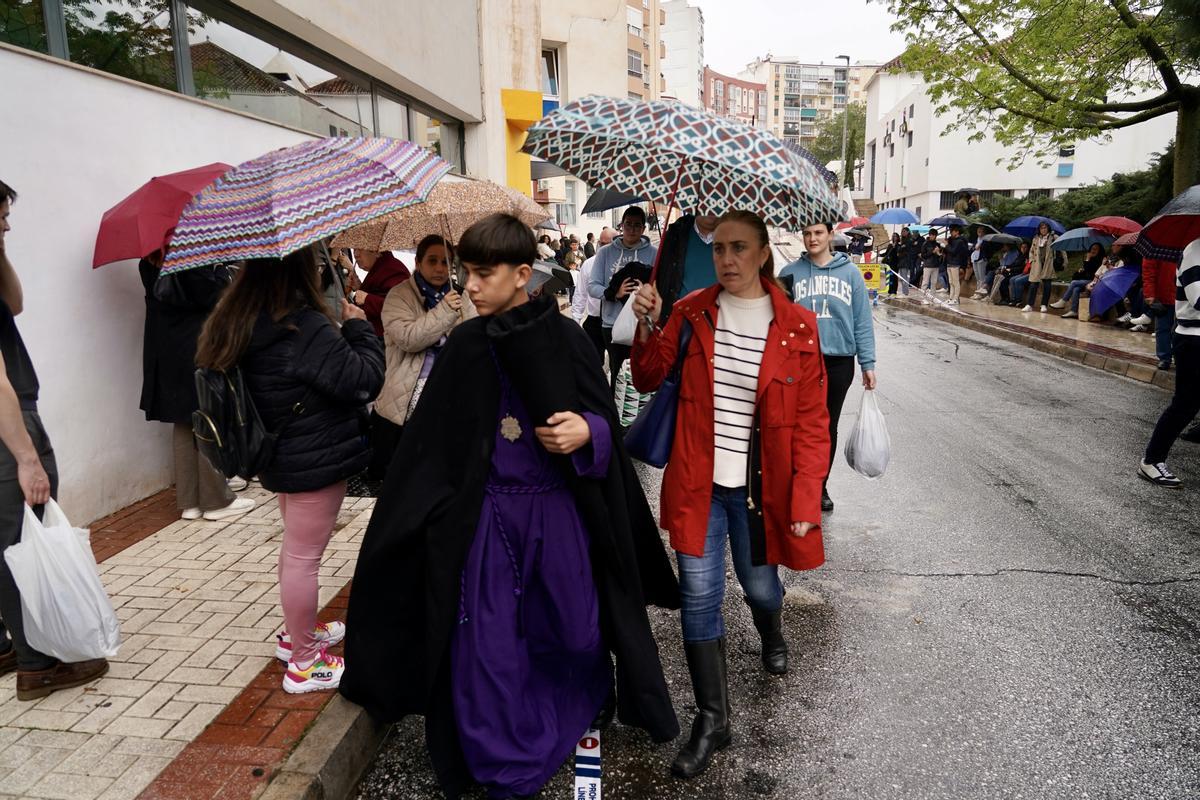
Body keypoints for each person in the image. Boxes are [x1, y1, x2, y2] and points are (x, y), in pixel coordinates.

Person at [341, 213, 680, 798]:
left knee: (573, 631)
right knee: (489, 645)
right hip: (489, 523)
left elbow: (604, 426)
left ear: (523, 274)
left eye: (482, 273)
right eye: (465, 272)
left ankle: (576, 702)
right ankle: (495, 746)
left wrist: (588, 434)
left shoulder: (569, 339)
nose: (468, 284)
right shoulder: (468, 344)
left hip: (557, 517)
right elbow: (436, 445)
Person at [631, 210, 830, 778]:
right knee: (698, 596)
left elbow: (815, 425)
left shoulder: (797, 328)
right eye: (719, 248)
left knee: (761, 584)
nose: (727, 259)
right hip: (697, 483)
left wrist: (803, 503)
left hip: (758, 494)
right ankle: (712, 720)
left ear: (765, 252)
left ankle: (771, 625)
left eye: (739, 248)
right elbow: (647, 377)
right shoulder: (692, 311)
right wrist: (646, 322)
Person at [196, 247, 384, 692]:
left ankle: (298, 636)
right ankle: (304, 663)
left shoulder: (241, 319)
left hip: (281, 455)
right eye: (315, 265)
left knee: (295, 551)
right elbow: (363, 379)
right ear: (299, 270)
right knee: (304, 557)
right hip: (312, 456)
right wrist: (358, 326)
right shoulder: (304, 327)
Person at [0, 180, 110, 700]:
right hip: (9, 424)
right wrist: (26, 457)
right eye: (0, 217)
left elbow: (13, 304)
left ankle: (10, 646)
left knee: (8, 542)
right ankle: (37, 664)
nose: (7, 225)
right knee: (24, 542)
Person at [139, 252, 255, 521]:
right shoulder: (191, 259)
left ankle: (190, 502)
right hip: (196, 345)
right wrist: (220, 269)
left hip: (165, 349)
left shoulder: (147, 261)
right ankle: (215, 501)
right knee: (208, 417)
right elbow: (215, 295)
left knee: (183, 421)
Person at [779, 221, 877, 513]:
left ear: (830, 235)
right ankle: (795, 481)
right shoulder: (789, 274)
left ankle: (818, 485)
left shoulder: (850, 274)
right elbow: (780, 321)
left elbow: (862, 320)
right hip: (800, 361)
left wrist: (868, 363)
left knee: (826, 426)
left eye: (818, 233)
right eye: (807, 234)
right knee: (796, 426)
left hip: (838, 362)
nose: (812, 238)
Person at [370, 235, 475, 480]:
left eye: (444, 261)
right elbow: (409, 338)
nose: (440, 268)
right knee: (409, 475)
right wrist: (446, 310)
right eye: (432, 261)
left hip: (452, 390)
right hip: (406, 397)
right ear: (418, 263)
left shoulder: (460, 295)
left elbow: (471, 337)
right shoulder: (399, 296)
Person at [1138, 236, 1200, 488]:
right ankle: (1152, 460)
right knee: (1185, 404)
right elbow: (1198, 298)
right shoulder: (1195, 250)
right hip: (1194, 340)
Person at [588, 206, 657, 392]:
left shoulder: (654, 253)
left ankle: (638, 418)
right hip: (612, 326)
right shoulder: (605, 253)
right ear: (621, 226)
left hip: (642, 326)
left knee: (642, 375)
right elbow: (592, 286)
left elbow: (661, 290)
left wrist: (647, 291)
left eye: (637, 225)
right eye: (628, 225)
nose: (632, 229)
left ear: (643, 228)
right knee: (617, 374)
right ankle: (616, 418)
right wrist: (614, 293)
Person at [654, 213, 718, 321]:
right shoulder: (674, 236)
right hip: (679, 323)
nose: (710, 209)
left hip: (720, 325)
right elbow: (662, 280)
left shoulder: (736, 238)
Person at [572, 227, 614, 365]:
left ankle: (616, 383)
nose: (603, 247)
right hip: (594, 321)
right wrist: (575, 320)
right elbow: (580, 294)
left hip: (615, 320)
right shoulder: (589, 264)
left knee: (617, 365)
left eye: (608, 243)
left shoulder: (623, 264)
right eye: (601, 243)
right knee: (593, 363)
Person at [350, 248, 410, 336]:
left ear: (377, 252)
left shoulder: (394, 270)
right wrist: (359, 287)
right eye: (354, 249)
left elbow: (400, 306)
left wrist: (367, 299)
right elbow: (380, 293)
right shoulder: (380, 267)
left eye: (360, 249)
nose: (356, 254)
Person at [1142, 255, 1179, 370]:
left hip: (1185, 294)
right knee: (1163, 328)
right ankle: (1164, 358)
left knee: (1181, 330)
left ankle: (1179, 357)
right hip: (1163, 295)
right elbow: (1149, 270)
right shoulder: (1158, 243)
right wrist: (1150, 294)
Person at [1051, 243, 1105, 319]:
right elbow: (1077, 276)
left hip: (1095, 282)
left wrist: (1087, 260)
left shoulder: (1101, 260)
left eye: (1096, 249)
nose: (1093, 251)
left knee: (1073, 283)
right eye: (1092, 249)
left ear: (1100, 251)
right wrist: (1080, 271)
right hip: (1086, 282)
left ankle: (1063, 301)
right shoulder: (1090, 260)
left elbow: (1093, 273)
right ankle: (1074, 311)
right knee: (1076, 289)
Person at [1020, 222, 1057, 313]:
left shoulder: (1054, 237)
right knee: (1033, 284)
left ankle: (1044, 305)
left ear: (1048, 228)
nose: (1043, 230)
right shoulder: (1036, 239)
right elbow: (1031, 251)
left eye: (1045, 228)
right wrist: (1031, 260)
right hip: (1037, 264)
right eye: (1041, 228)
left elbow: (1061, 250)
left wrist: (1062, 261)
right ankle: (1029, 304)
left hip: (1048, 263)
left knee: (1047, 285)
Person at [942, 226, 970, 305]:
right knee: (950, 282)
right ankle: (951, 297)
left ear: (957, 232)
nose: (951, 233)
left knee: (955, 282)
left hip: (955, 263)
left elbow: (953, 251)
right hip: (949, 263)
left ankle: (956, 298)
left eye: (952, 231)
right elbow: (948, 251)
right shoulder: (952, 240)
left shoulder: (960, 241)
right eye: (950, 231)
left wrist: (947, 245)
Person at [918, 228, 943, 302]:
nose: (932, 237)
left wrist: (939, 254)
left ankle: (932, 297)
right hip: (927, 265)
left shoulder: (937, 244)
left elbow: (939, 255)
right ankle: (923, 298)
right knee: (925, 282)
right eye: (931, 235)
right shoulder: (925, 244)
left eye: (934, 235)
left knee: (934, 282)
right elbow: (923, 255)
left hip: (936, 265)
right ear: (929, 235)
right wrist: (932, 252)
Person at [970, 226, 990, 298]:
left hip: (981, 259)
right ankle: (977, 291)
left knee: (982, 277)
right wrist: (974, 247)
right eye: (978, 232)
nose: (980, 233)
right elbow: (972, 248)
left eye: (981, 232)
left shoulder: (985, 240)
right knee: (977, 277)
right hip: (974, 258)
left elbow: (987, 249)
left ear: (984, 233)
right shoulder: (976, 240)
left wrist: (980, 246)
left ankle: (982, 294)